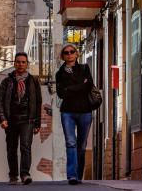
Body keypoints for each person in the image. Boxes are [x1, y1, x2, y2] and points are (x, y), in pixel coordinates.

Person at [0, 52, 42, 185]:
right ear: (14, 63)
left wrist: (37, 122)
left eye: (23, 62)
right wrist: (2, 118)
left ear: (27, 64)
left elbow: (38, 102)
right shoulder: (7, 81)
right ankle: (13, 175)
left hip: (28, 119)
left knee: (25, 146)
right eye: (18, 62)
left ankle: (25, 174)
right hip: (11, 120)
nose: (21, 64)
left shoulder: (33, 81)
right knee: (11, 148)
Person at [55, 44, 95, 185]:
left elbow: (88, 85)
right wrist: (80, 86)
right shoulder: (60, 73)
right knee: (71, 143)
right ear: (63, 56)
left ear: (77, 54)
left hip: (85, 112)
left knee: (81, 146)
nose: (69, 54)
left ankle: (78, 175)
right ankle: (72, 175)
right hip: (68, 113)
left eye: (72, 52)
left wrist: (70, 88)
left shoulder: (84, 68)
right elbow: (61, 93)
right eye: (66, 53)